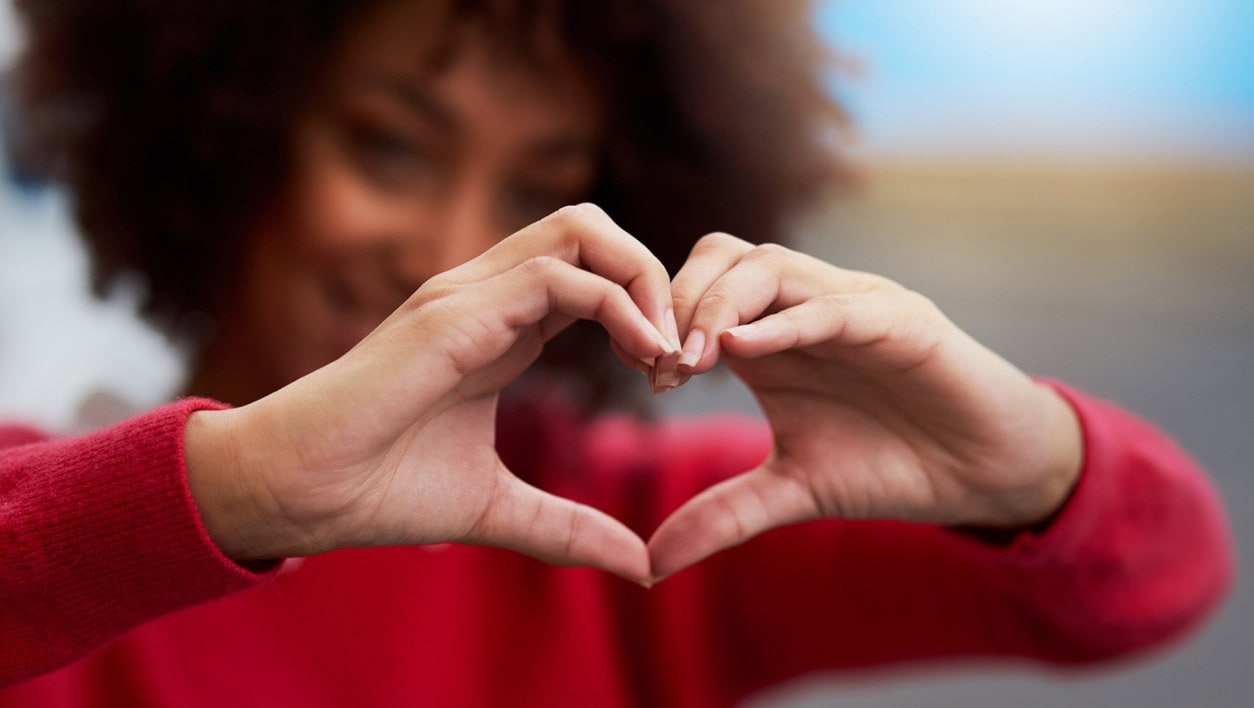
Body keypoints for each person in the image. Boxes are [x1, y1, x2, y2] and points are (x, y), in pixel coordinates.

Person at [0, 1, 1234, 705]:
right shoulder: (80, 537)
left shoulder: (652, 535)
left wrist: (1021, 452)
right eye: (390, 148)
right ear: (229, 140)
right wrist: (244, 489)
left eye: (543, 191)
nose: (450, 254)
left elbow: (1158, 588)